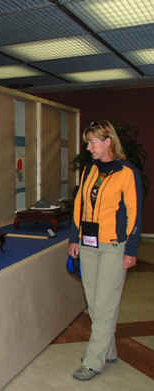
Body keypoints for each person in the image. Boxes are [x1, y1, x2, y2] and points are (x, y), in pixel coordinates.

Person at [68, 120, 142, 381]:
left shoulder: (127, 172)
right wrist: (74, 238)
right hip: (88, 245)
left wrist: (130, 249)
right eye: (87, 142)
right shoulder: (89, 170)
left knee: (106, 304)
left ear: (108, 141)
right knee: (95, 304)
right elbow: (78, 205)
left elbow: (133, 214)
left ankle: (93, 360)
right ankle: (107, 350)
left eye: (92, 142)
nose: (88, 147)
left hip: (113, 246)